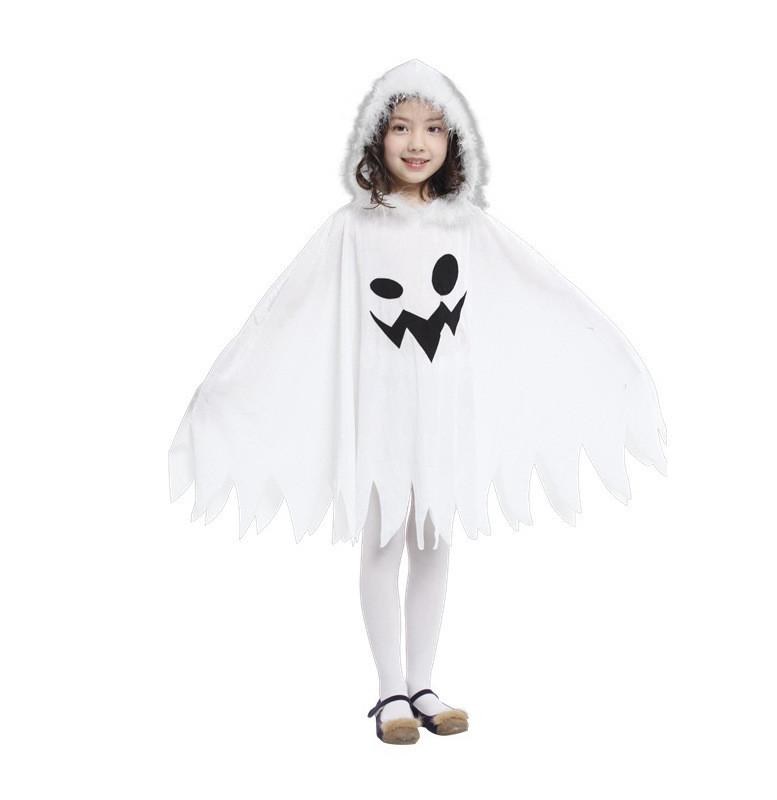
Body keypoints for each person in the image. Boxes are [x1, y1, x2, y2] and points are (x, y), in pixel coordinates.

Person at [169, 60, 667, 745]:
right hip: (381, 417)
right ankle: (389, 692)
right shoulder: (354, 229)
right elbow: (288, 306)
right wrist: (229, 381)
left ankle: (425, 684)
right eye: (401, 127)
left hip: (444, 416)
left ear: (453, 141)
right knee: (383, 541)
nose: (416, 142)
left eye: (433, 128)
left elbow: (536, 288)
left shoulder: (468, 229)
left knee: (434, 543)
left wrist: (607, 353)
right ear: (376, 137)